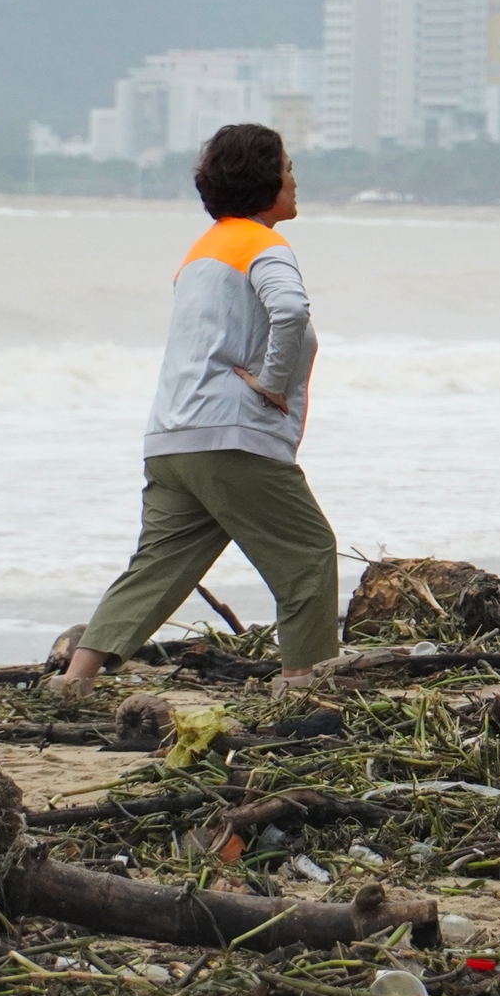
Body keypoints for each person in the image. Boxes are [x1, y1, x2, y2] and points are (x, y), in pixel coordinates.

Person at [45, 123, 338, 696]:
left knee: (158, 563)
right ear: (265, 180)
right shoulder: (262, 244)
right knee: (308, 552)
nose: (295, 180)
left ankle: (75, 681)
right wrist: (274, 384)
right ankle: (303, 681)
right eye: (288, 168)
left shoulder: (202, 252)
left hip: (172, 435)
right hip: (231, 436)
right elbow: (291, 312)